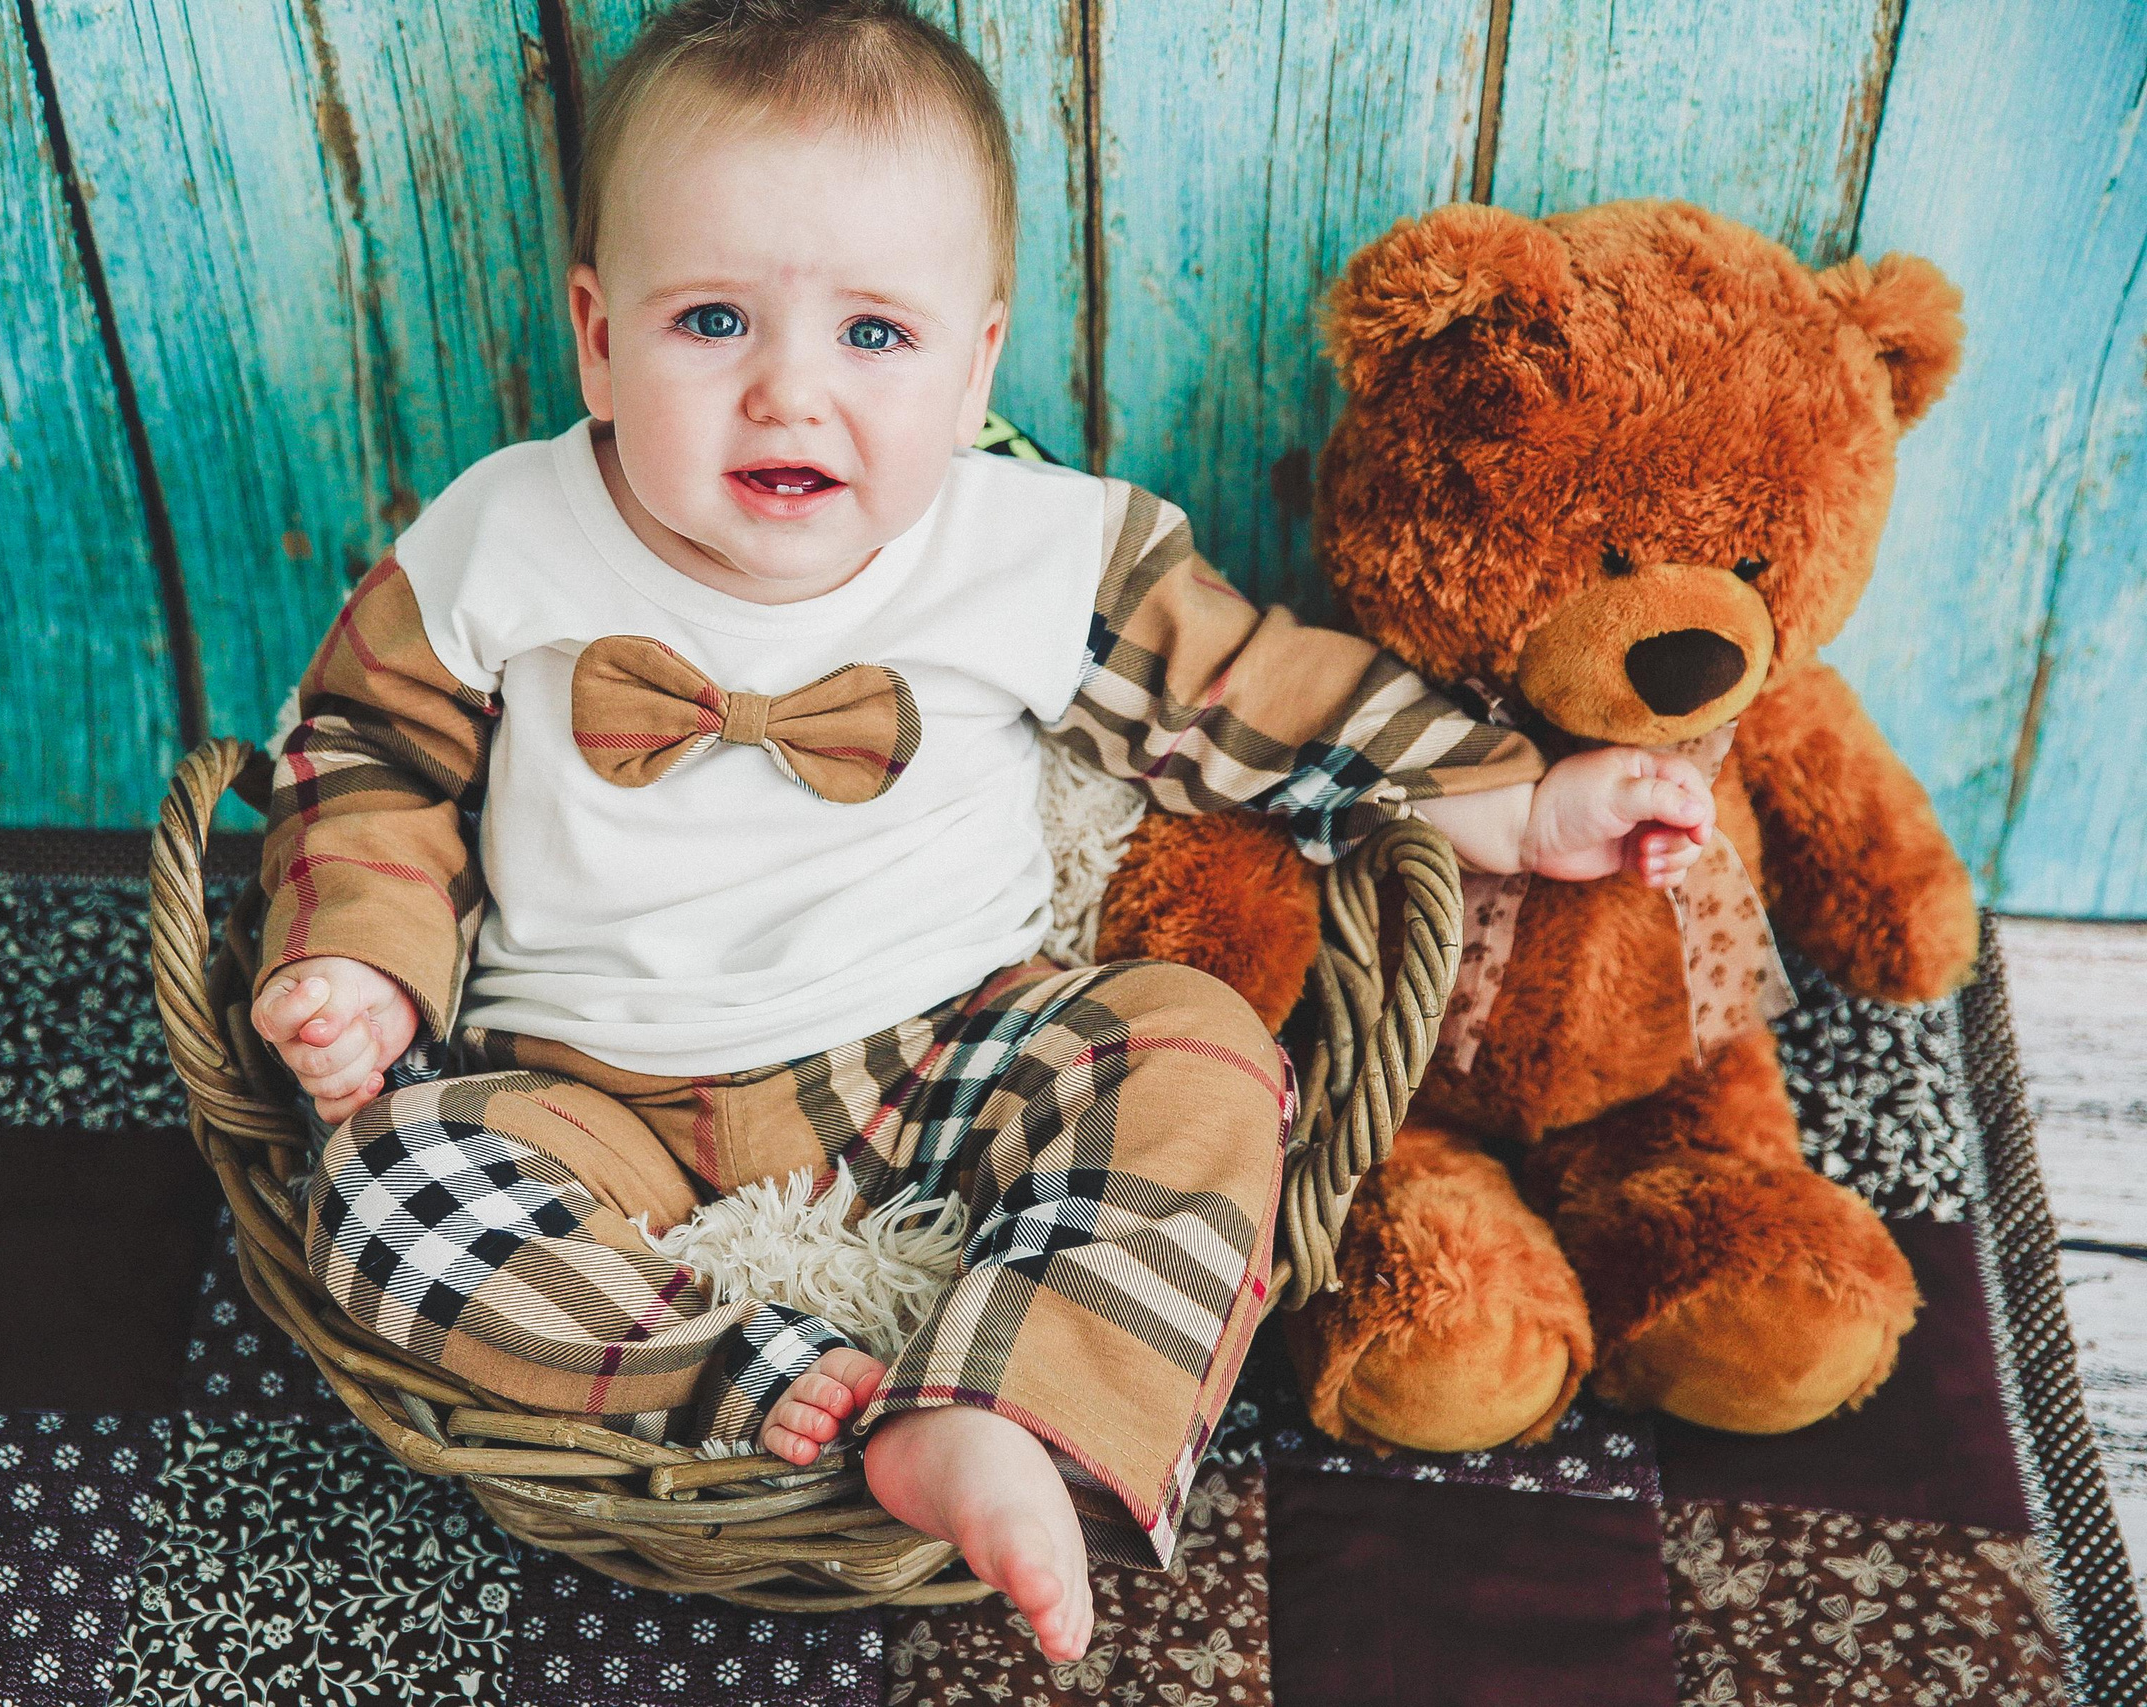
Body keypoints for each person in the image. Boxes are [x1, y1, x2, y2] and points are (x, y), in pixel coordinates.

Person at [246, 0, 1712, 1660]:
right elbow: (357, 754)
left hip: (948, 1051)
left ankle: (1000, 1405)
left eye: (876, 334)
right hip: (584, 1087)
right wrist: (361, 960)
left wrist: (1513, 798)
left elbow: (1257, 695)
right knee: (381, 1184)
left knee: (1205, 1051)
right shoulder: (502, 535)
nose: (790, 393)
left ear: (978, 360)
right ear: (596, 335)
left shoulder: (1036, 548)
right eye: (711, 320)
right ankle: (756, 1380)